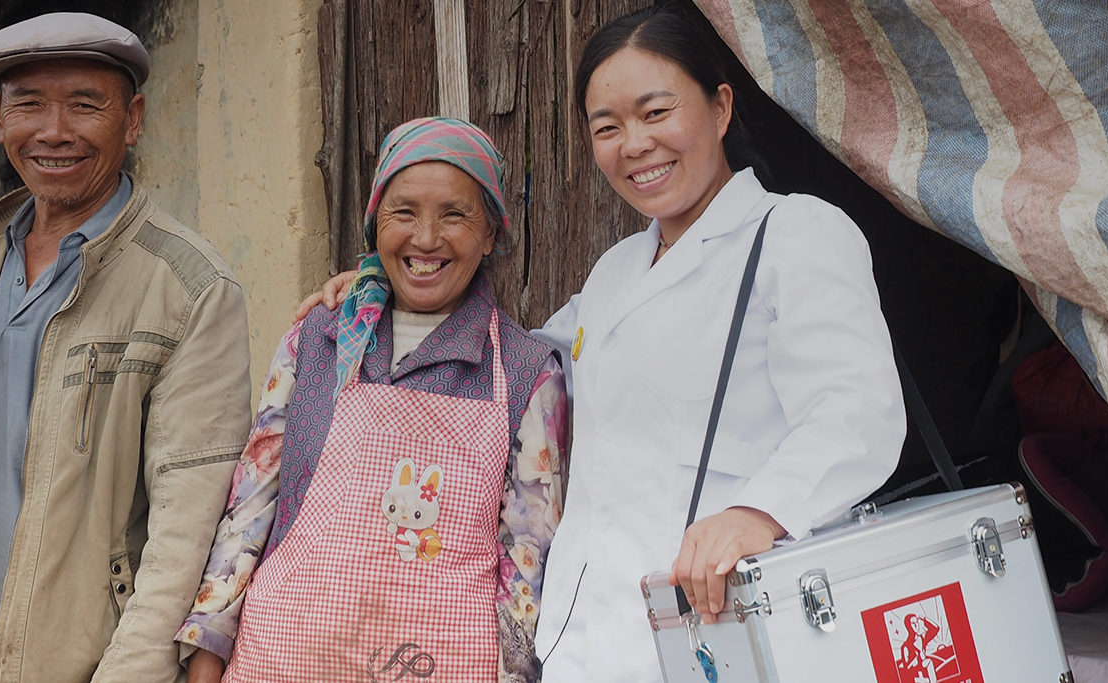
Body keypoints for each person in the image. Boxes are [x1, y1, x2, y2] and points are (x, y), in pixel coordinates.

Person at [298, 6, 905, 681]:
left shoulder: (793, 235)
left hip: (721, 634)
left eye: (656, 112)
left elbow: (857, 413)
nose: (635, 144)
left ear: (721, 107)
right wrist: (391, 294)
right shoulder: (615, 272)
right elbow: (523, 366)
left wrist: (757, 513)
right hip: (582, 645)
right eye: (607, 127)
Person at [0, 13, 254, 683]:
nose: (55, 131)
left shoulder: (188, 287)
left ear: (133, 119)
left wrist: (132, 674)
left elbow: (190, 518)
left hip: (82, 662)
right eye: (29, 104)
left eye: (85, 105)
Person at [175, 118, 569, 683]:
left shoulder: (527, 372)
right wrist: (207, 654)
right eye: (403, 212)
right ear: (374, 223)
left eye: (453, 215)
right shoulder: (317, 338)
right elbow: (249, 509)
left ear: (490, 234)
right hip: (283, 657)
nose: (425, 238)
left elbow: (527, 567)